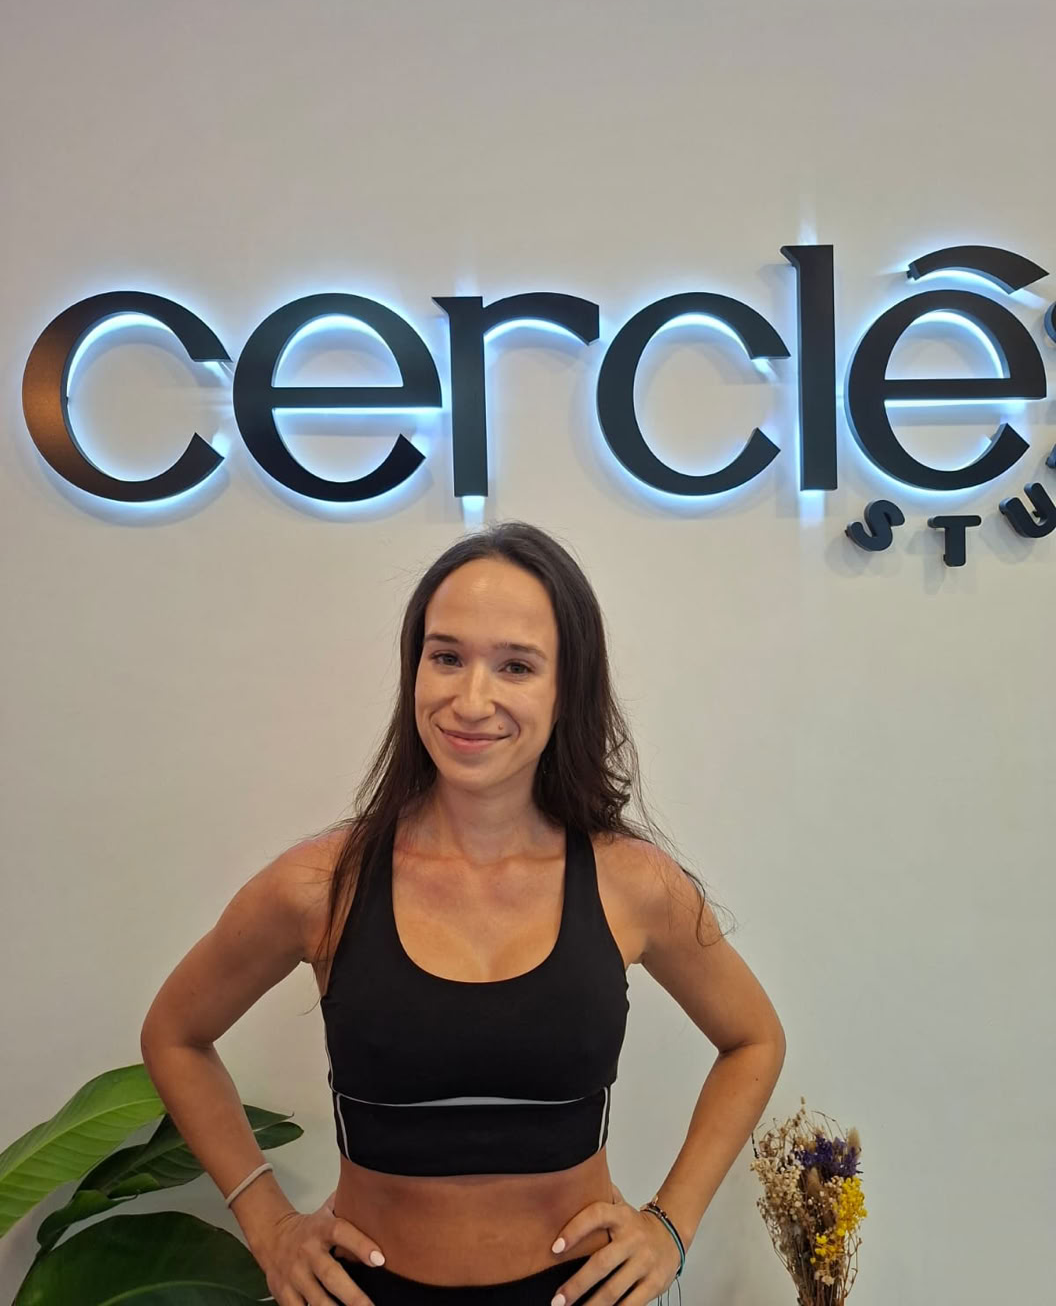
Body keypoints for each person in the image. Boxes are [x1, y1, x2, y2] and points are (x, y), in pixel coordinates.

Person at [140, 521, 786, 1306]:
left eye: (516, 666)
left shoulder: (632, 883)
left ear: (567, 688)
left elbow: (753, 1039)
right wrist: (269, 1223)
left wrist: (670, 1226)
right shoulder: (319, 885)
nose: (471, 700)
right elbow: (175, 1034)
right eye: (446, 657)